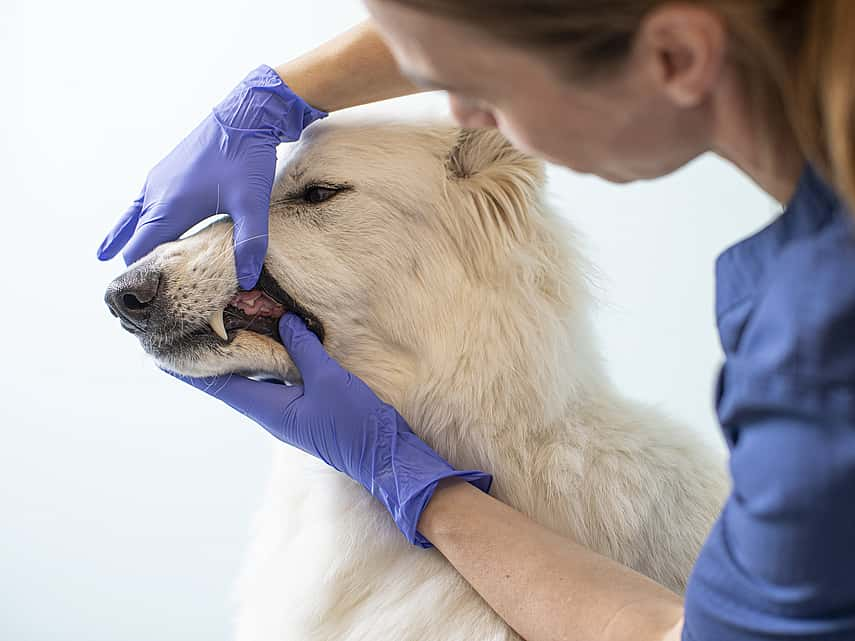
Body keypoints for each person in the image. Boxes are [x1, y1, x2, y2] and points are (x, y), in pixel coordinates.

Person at [96, 2, 855, 640]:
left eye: (317, 195)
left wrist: (426, 490)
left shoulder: (820, 348)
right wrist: (282, 92)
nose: (462, 109)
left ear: (677, 55)